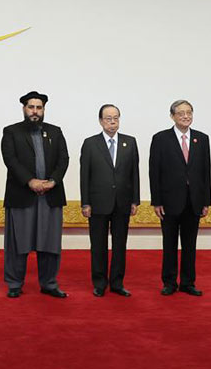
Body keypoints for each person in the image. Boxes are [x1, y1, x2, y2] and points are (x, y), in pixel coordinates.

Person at [1, 91, 69, 299]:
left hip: (50, 196)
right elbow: (10, 159)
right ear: (24, 109)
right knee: (18, 243)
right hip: (22, 195)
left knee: (49, 243)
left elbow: (63, 159)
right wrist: (30, 181)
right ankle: (14, 283)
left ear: (43, 110)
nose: (35, 112)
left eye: (39, 108)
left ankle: (49, 283)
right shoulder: (11, 131)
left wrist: (53, 182)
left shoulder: (55, 132)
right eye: (31, 107)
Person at [149, 99, 211, 296]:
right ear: (172, 116)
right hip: (168, 202)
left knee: (190, 244)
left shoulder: (202, 139)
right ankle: (169, 282)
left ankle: (188, 282)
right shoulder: (160, 139)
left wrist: (206, 201)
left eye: (189, 112)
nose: (186, 116)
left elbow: (205, 172)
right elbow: (154, 172)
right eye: (181, 113)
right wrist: (156, 201)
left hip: (194, 201)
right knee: (169, 244)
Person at [79, 104, 139, 297]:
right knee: (98, 245)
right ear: (100, 121)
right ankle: (99, 283)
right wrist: (85, 202)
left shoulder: (130, 142)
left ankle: (117, 282)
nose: (112, 122)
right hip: (98, 203)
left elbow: (134, 174)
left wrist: (135, 200)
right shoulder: (90, 143)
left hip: (122, 202)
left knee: (120, 245)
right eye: (108, 118)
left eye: (116, 118)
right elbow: (84, 176)